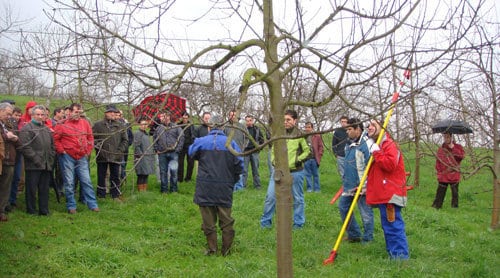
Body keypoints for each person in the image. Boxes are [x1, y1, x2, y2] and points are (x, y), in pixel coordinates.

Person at [188, 116, 244, 256]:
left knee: (208, 221)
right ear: (223, 128)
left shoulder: (201, 141)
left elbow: (191, 153)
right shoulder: (231, 144)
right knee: (226, 221)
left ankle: (212, 249)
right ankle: (226, 251)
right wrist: (233, 180)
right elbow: (240, 164)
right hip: (224, 187)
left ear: (210, 127)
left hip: (205, 187)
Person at [365, 119, 409, 260]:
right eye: (368, 126)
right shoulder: (378, 145)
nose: (369, 128)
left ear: (382, 128)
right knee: (388, 225)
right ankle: (393, 254)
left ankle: (400, 257)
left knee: (393, 225)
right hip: (384, 193)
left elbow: (390, 165)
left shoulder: (389, 144)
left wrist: (377, 152)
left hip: (391, 193)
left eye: (373, 125)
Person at [260, 109, 311, 229]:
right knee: (270, 197)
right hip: (278, 171)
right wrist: (274, 161)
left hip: (295, 172)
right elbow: (273, 150)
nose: (285, 122)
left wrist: (297, 160)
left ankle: (298, 224)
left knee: (297, 198)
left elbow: (308, 152)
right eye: (283, 120)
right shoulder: (278, 133)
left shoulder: (300, 134)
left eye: (288, 120)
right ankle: (265, 223)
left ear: (295, 120)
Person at [53, 103, 100, 213]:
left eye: (80, 112)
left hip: (82, 156)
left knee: (86, 180)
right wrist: (62, 151)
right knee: (69, 182)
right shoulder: (62, 124)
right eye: (76, 112)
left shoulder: (85, 123)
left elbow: (90, 137)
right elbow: (56, 139)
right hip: (67, 156)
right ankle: (71, 206)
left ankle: (92, 204)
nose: (78, 114)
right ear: (70, 112)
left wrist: (88, 150)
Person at [338, 118, 373, 242]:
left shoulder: (366, 144)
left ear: (358, 129)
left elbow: (371, 166)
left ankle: (368, 239)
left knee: (365, 213)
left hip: (362, 186)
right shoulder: (349, 144)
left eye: (349, 129)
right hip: (349, 185)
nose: (347, 132)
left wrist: (366, 185)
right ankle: (354, 235)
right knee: (343, 207)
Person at [18, 105, 56, 215]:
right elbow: (25, 147)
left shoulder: (46, 128)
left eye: (42, 115)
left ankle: (44, 210)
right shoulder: (27, 128)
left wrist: (51, 157)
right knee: (31, 189)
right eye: (37, 114)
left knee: (44, 189)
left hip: (46, 163)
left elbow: (53, 146)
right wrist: (36, 159)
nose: (40, 117)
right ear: (32, 115)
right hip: (33, 164)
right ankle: (31, 210)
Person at [92, 105, 129, 200]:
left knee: (115, 176)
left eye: (114, 112)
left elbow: (125, 140)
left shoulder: (120, 125)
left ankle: (115, 194)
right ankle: (101, 195)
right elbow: (93, 139)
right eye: (110, 112)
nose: (112, 114)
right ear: (105, 113)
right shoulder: (98, 125)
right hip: (102, 155)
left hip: (116, 155)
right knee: (101, 175)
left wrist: (119, 151)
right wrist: (100, 149)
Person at [153, 111, 184, 193]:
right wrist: (156, 149)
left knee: (174, 172)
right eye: (162, 116)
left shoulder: (176, 127)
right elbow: (154, 139)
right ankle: (164, 190)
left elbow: (181, 138)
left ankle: (174, 190)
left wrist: (177, 150)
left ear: (169, 117)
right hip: (162, 153)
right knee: (163, 172)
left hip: (173, 153)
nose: (164, 118)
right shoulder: (158, 128)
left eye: (166, 116)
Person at [432, 132, 465, 209]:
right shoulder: (441, 149)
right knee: (440, 192)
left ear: (451, 137)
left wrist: (453, 148)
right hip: (444, 174)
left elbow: (461, 156)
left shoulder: (458, 147)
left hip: (454, 173)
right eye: (445, 137)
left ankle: (454, 207)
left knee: (455, 192)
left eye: (448, 137)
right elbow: (438, 162)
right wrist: (440, 173)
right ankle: (437, 206)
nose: (446, 139)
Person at [0, 103, 18, 221]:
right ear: (0, 111)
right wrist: (8, 136)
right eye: (7, 114)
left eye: (10, 115)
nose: (9, 117)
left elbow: (17, 138)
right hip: (2, 158)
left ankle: (1, 210)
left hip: (9, 159)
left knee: (6, 187)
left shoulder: (9, 124)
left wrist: (14, 138)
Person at [224, 110, 246, 191]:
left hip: (239, 152)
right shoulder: (226, 127)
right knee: (229, 170)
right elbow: (223, 138)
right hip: (229, 152)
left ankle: (239, 188)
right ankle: (231, 187)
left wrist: (244, 147)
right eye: (231, 115)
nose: (233, 117)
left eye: (235, 115)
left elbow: (247, 137)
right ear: (229, 116)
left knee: (239, 169)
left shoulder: (242, 126)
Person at [133, 119, 156, 191]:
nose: (144, 126)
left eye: (145, 124)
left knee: (146, 173)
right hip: (141, 157)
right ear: (139, 125)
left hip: (148, 157)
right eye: (142, 124)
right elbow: (136, 146)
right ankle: (140, 190)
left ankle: (144, 189)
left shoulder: (146, 134)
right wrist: (140, 155)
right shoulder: (137, 133)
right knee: (141, 174)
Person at [242, 115, 264, 189]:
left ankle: (257, 186)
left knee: (256, 170)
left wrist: (259, 148)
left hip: (254, 151)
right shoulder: (243, 129)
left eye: (250, 120)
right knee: (244, 170)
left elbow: (262, 140)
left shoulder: (257, 129)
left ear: (253, 121)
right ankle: (243, 186)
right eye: (247, 120)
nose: (248, 122)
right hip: (245, 152)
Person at [7, 106, 22, 212]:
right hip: (9, 154)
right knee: (8, 179)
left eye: (19, 115)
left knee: (16, 178)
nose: (17, 117)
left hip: (18, 154)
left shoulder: (16, 123)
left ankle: (12, 200)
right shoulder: (6, 123)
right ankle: (6, 202)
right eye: (15, 115)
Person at [303, 121, 324, 193]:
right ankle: (309, 188)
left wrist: (319, 155)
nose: (307, 129)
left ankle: (317, 189)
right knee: (307, 174)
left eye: (309, 127)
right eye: (306, 127)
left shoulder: (317, 136)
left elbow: (321, 147)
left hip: (314, 158)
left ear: (312, 128)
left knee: (315, 174)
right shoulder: (303, 137)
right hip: (306, 159)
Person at [177, 112, 195, 182]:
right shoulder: (178, 125)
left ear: (188, 118)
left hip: (189, 145)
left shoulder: (191, 125)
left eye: (186, 118)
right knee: (180, 163)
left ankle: (188, 178)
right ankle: (180, 178)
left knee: (190, 163)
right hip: (181, 146)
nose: (185, 120)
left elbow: (193, 134)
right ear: (182, 117)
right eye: (184, 118)